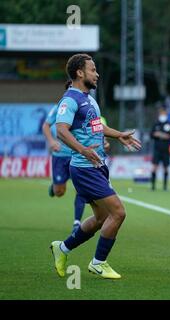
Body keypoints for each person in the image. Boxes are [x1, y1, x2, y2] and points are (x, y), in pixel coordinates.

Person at [49, 53, 141, 280]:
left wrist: (119, 135)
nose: (97, 73)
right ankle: (98, 262)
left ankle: (63, 248)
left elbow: (96, 126)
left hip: (97, 166)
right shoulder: (70, 99)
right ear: (80, 73)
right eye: (92, 69)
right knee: (118, 212)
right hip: (84, 168)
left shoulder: (88, 98)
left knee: (101, 218)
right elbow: (61, 130)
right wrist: (82, 149)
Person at [42, 83, 87, 233]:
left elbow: (93, 126)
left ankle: (76, 223)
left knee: (81, 190)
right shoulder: (60, 107)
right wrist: (51, 141)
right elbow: (46, 126)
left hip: (78, 154)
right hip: (60, 156)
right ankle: (54, 187)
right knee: (59, 192)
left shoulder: (85, 107)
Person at [150, 107, 170, 191]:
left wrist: (160, 135)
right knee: (154, 167)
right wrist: (161, 135)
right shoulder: (156, 124)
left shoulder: (169, 124)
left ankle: (165, 186)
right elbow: (152, 134)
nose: (162, 115)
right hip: (157, 149)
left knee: (166, 168)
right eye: (161, 113)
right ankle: (152, 186)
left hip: (166, 150)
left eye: (164, 113)